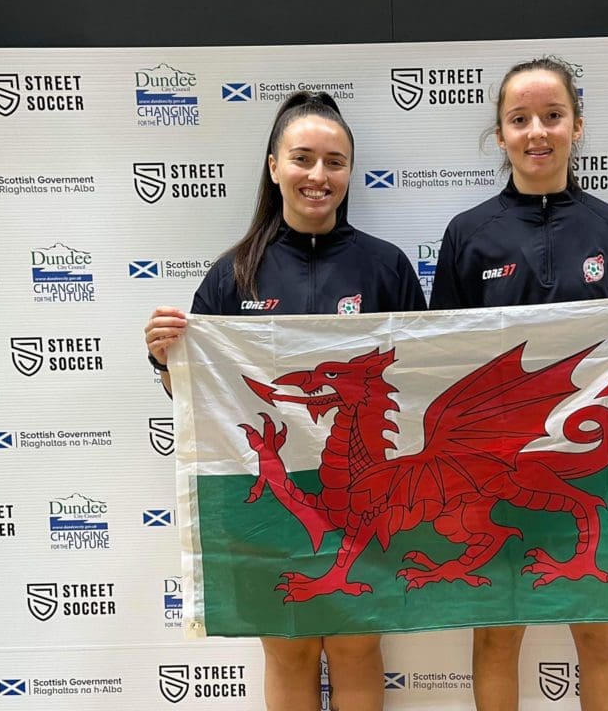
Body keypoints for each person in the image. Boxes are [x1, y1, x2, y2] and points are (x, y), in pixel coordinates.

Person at [429, 57, 608, 711]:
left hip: (599, 468)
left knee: (598, 634)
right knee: (498, 637)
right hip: (495, 470)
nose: (538, 131)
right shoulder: (467, 235)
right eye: (520, 118)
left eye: (552, 116)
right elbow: (438, 364)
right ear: (500, 134)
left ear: (577, 126)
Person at [144, 91, 426, 711]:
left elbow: (424, 376)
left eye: (335, 161)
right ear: (274, 166)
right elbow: (195, 395)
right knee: (289, 647)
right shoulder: (232, 275)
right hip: (275, 495)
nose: (318, 176)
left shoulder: (388, 268)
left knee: (355, 646)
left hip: (364, 490)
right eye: (303, 159)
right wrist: (168, 358)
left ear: (351, 172)